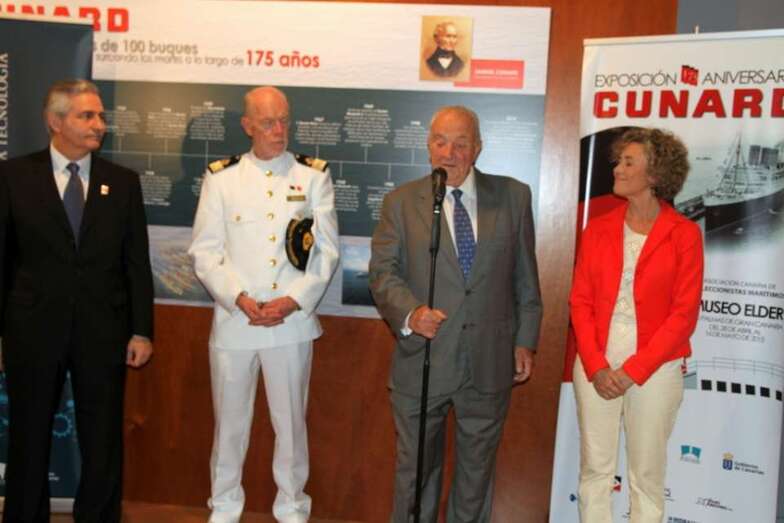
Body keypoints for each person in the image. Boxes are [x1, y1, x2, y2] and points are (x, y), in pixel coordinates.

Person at [369, 105, 542, 522]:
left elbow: (526, 278)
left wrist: (525, 341)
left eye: (461, 144)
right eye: (441, 142)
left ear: (477, 148)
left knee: (476, 474)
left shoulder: (514, 197)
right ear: (428, 146)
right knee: (415, 473)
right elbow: (382, 273)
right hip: (423, 360)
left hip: (489, 358)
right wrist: (411, 313)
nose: (449, 153)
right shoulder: (401, 202)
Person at [0, 79, 154, 522]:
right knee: (28, 435)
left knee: (102, 437)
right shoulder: (13, 177)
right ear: (55, 121)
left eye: (100, 116)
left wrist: (141, 330)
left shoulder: (122, 183)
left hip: (103, 331)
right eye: (87, 115)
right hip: (31, 330)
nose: (99, 124)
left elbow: (136, 264)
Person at [189, 86, 339, 523]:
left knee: (290, 424)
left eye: (284, 120)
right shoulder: (221, 178)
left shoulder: (313, 176)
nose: (279, 130)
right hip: (235, 321)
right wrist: (238, 298)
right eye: (269, 122)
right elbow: (205, 252)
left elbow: (327, 251)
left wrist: (293, 300)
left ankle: (292, 506)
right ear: (247, 125)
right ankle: (223, 506)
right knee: (229, 424)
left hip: (290, 323)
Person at [570, 128, 703, 522]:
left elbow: (683, 315)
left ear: (655, 174)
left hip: (656, 367)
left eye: (629, 162)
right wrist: (596, 365)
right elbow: (580, 301)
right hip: (595, 361)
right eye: (619, 160)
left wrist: (633, 371)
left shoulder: (684, 234)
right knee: (595, 469)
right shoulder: (598, 229)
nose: (618, 168)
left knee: (646, 474)